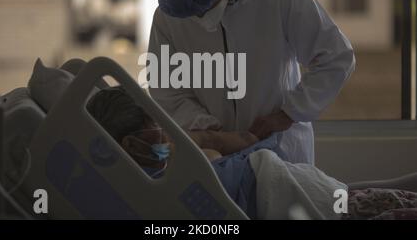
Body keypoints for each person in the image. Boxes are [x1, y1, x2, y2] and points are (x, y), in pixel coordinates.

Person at [148, 0, 356, 164]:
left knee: (281, 193)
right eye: (193, 14)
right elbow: (166, 87)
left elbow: (335, 57)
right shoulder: (169, 14)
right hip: (213, 154)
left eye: (207, 5)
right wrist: (211, 132)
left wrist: (288, 113)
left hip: (281, 147)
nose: (202, 18)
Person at [87, 86, 417, 220]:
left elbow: (220, 151)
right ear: (128, 144)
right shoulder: (149, 190)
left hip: (290, 183)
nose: (165, 131)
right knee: (389, 203)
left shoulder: (162, 165)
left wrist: (207, 140)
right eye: (155, 124)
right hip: (290, 194)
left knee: (383, 195)